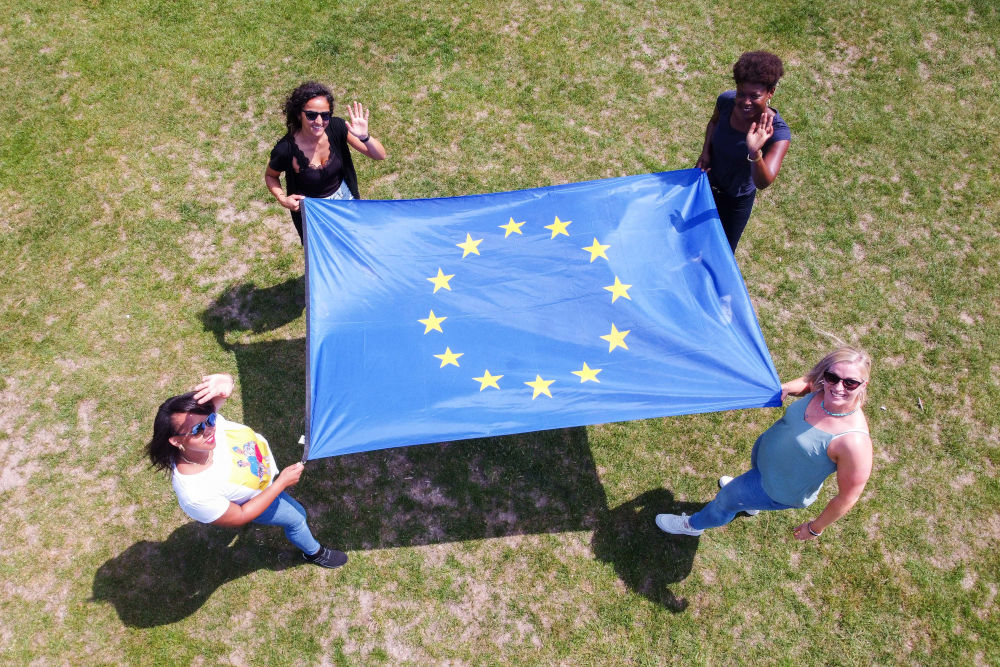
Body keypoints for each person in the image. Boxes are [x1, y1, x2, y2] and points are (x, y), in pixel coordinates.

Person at [656, 346, 873, 541]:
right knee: (746, 483)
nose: (838, 387)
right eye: (832, 377)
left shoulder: (853, 442)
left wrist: (815, 528)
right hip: (766, 463)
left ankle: (693, 525)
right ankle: (750, 504)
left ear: (863, 384)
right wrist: (788, 387)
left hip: (778, 488)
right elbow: (809, 382)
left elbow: (847, 497)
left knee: (725, 500)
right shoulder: (824, 388)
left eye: (850, 383)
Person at [147, 373, 347, 568]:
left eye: (210, 420)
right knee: (298, 517)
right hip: (258, 498)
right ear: (176, 440)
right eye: (197, 430)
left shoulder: (206, 426)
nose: (209, 429)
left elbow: (222, 391)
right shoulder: (195, 494)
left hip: (263, 479)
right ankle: (315, 553)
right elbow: (241, 515)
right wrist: (280, 484)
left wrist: (226, 380)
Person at [265, 81, 387, 243]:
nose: (319, 121)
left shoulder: (337, 127)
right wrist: (282, 199)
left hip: (345, 200)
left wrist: (364, 137)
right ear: (298, 114)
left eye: (325, 115)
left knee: (355, 241)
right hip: (315, 213)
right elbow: (271, 176)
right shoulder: (286, 150)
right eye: (311, 115)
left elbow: (380, 155)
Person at [696, 51, 791, 252]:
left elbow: (763, 182)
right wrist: (705, 153)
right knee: (690, 239)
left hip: (735, 203)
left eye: (754, 96)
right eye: (741, 93)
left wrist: (755, 152)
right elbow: (714, 123)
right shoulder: (726, 101)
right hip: (704, 184)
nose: (745, 102)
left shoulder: (778, 134)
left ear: (770, 93)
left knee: (720, 252)